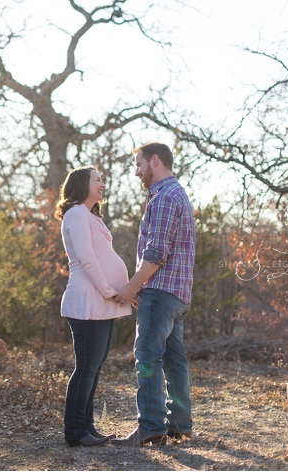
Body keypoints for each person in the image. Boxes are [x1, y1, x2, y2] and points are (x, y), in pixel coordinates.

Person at [110, 142, 196, 447]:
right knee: (174, 361)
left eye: (138, 165)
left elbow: (156, 253)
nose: (136, 172)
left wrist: (133, 286)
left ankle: (150, 426)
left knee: (147, 356)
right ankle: (179, 425)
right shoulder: (179, 194)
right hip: (178, 295)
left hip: (160, 292)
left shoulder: (162, 198)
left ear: (155, 161)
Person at [55, 166, 133, 447]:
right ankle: (75, 432)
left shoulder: (89, 215)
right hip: (87, 301)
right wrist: (109, 291)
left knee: (94, 367)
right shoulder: (75, 213)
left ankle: (86, 427)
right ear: (81, 184)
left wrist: (115, 292)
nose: (102, 184)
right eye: (97, 180)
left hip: (101, 303)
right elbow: (87, 259)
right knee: (86, 367)